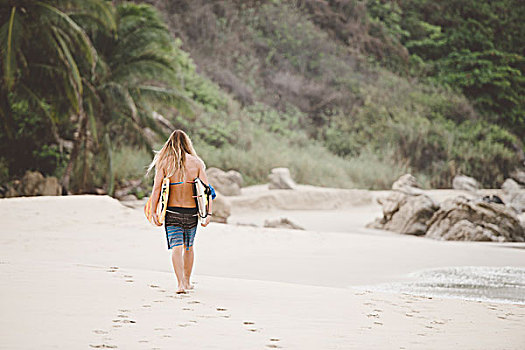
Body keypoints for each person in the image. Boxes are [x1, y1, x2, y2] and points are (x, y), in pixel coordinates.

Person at [146, 130, 212, 294]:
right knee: (188, 247)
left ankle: (180, 284)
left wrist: (154, 211)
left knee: (176, 247)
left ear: (169, 144)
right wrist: (208, 214)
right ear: (187, 144)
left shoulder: (164, 163)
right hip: (191, 212)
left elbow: (156, 190)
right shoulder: (196, 163)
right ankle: (188, 282)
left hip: (171, 212)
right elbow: (206, 190)